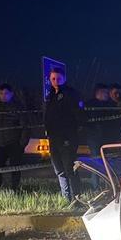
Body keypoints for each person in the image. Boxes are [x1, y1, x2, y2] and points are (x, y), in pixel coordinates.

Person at [44, 68, 86, 202]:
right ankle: (66, 199)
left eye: (58, 78)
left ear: (64, 78)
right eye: (53, 79)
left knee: (69, 168)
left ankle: (77, 198)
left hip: (67, 137)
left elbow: (78, 115)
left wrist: (72, 134)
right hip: (54, 137)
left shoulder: (70, 94)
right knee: (59, 170)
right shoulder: (50, 96)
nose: (56, 81)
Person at [0, 84, 29, 189]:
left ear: (11, 94)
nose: (3, 96)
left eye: (6, 93)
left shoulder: (18, 107)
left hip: (14, 143)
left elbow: (26, 126)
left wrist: (22, 144)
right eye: (1, 93)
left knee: (15, 167)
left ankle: (15, 188)